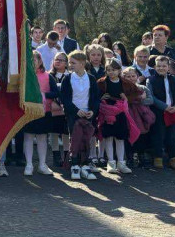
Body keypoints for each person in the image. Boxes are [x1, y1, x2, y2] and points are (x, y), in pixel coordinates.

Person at [59, 50, 100, 180]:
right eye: (69, 62)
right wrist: (76, 110)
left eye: (73, 62)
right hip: (73, 114)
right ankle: (75, 165)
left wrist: (92, 111)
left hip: (88, 114)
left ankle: (85, 165)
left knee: (86, 139)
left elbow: (95, 98)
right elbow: (64, 99)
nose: (70, 65)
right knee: (75, 139)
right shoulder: (67, 79)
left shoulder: (91, 78)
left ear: (82, 63)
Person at [23, 51, 58, 176]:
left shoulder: (48, 76)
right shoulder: (24, 76)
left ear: (40, 61)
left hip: (44, 111)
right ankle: (29, 164)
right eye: (30, 60)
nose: (33, 63)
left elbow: (56, 92)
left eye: (35, 60)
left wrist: (44, 95)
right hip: (29, 112)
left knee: (42, 138)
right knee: (28, 137)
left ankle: (42, 164)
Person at [97, 60, 135, 174]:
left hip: (120, 113)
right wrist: (101, 97)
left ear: (119, 70)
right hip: (106, 112)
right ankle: (111, 163)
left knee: (120, 139)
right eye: (108, 70)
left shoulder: (125, 82)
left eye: (114, 70)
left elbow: (135, 92)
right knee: (108, 138)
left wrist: (126, 98)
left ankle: (121, 163)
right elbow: (95, 95)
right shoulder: (102, 82)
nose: (111, 72)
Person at [148, 55, 175, 169]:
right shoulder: (151, 80)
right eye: (159, 66)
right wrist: (164, 107)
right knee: (159, 134)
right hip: (159, 112)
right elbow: (151, 97)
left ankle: (173, 158)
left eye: (164, 66)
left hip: (173, 111)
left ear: (168, 67)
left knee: (172, 135)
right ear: (155, 67)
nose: (161, 68)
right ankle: (158, 158)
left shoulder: (174, 79)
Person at [48, 52, 70, 170]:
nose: (58, 62)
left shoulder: (70, 75)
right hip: (53, 108)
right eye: (56, 59)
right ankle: (56, 156)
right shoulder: (49, 75)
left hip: (66, 109)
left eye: (61, 60)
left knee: (66, 132)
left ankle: (67, 155)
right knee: (54, 132)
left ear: (66, 63)